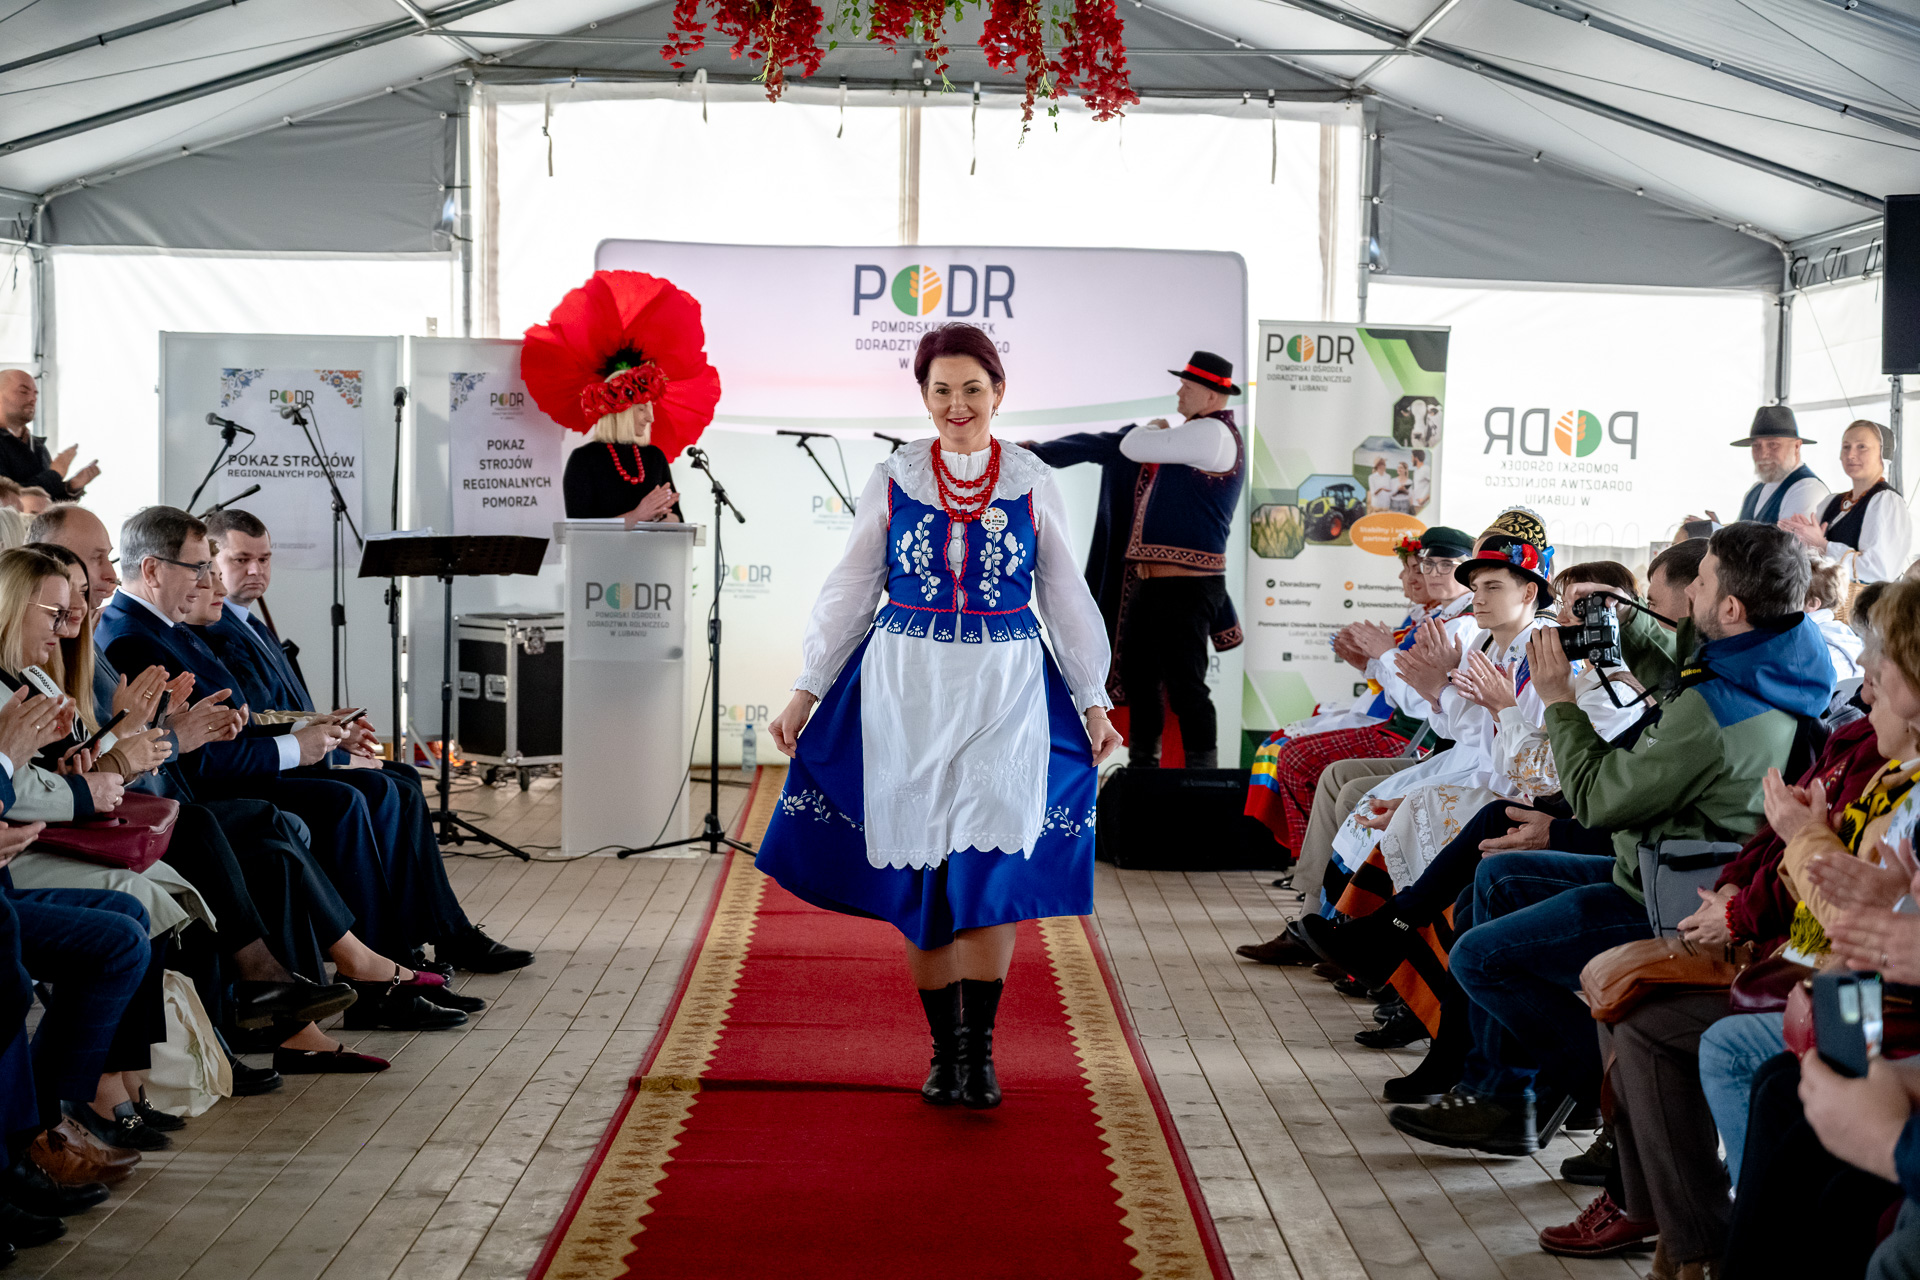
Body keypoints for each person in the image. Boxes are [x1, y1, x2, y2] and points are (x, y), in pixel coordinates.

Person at [759, 323, 1119, 1111]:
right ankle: (944, 1053)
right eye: (942, 390)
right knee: (925, 881)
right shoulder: (893, 477)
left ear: (999, 393)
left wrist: (1093, 699)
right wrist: (807, 688)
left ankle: (980, 1053)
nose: (958, 405)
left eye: (973, 389)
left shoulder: (1031, 479)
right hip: (906, 690)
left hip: (1005, 689)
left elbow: (1065, 592)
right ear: (923, 397)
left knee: (986, 874)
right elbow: (853, 585)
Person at [1390, 522, 1835, 1156]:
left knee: (1481, 958)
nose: (1686, 598)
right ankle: (1506, 1094)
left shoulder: (1715, 711)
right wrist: (1624, 622)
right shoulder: (1772, 662)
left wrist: (1557, 702)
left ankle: (1615, 1103)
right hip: (1653, 868)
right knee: (1497, 878)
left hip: (1672, 898)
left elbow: (1597, 801)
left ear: (1731, 608)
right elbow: (1686, 664)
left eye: (1700, 583)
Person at [1109, 350, 1246, 770]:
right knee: (1141, 678)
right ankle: (1143, 769)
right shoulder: (1202, 432)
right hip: (1159, 584)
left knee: (1186, 686)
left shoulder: (1210, 433)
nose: (1179, 393)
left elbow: (1132, 445)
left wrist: (1151, 428)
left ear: (1210, 395)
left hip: (1186, 586)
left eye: (1186, 387)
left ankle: (1202, 780)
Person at [1782, 419, 1913, 585]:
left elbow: (1879, 570)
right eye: (1846, 447)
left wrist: (1823, 545)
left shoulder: (1887, 502)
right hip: (1828, 600)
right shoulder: (1831, 502)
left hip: (1867, 601)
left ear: (1882, 454)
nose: (1851, 455)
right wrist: (1803, 539)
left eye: (1861, 447)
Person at [560, 400, 683, 523]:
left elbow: (678, 519)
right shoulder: (583, 459)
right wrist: (636, 517)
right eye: (641, 409)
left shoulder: (655, 456)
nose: (650, 418)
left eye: (649, 409)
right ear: (620, 410)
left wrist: (660, 515)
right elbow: (579, 528)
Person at [0, 373, 97, 502]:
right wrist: (55, 474)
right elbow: (6, 500)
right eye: (23, 392)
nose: (33, 399)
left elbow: (45, 505)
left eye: (35, 394)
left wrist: (71, 488)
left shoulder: (37, 446)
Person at [1730, 405, 1828, 526]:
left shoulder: (1807, 489)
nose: (1763, 454)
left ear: (1796, 446)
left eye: (1773, 444)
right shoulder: (1755, 490)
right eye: (1756, 446)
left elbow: (1787, 538)